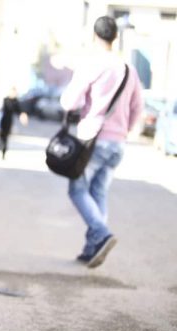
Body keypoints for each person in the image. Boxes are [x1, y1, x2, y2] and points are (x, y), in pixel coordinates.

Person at [60, 15, 143, 268]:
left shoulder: (92, 65)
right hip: (118, 144)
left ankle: (101, 233)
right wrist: (124, 130)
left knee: (77, 190)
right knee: (98, 192)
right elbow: (138, 107)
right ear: (115, 37)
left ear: (95, 36)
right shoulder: (129, 69)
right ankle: (91, 249)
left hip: (93, 140)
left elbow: (68, 103)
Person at [0, 87, 28, 159]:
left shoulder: (16, 101)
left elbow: (19, 111)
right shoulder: (6, 99)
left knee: (5, 139)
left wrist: (23, 116)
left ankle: (3, 153)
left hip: (9, 122)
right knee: (2, 139)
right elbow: (5, 108)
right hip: (3, 121)